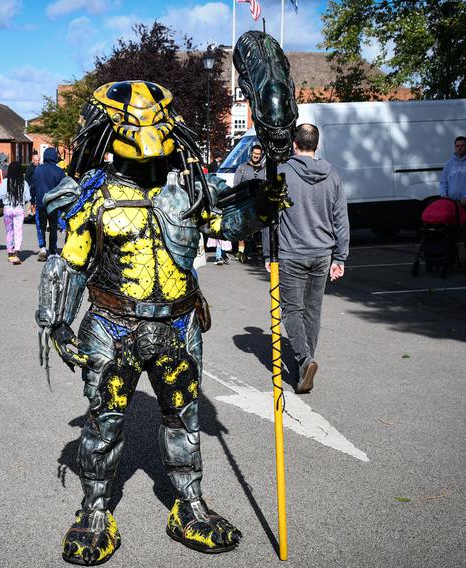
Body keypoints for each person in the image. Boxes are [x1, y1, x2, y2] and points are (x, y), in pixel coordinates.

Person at [36, 78, 291, 565]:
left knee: (184, 419)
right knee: (103, 424)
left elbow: (227, 224)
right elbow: (69, 260)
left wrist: (262, 202)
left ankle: (189, 505)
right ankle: (94, 510)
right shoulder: (94, 193)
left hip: (178, 327)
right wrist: (59, 323)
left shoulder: (189, 190)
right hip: (113, 327)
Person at [263, 123, 349, 395]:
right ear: (316, 145)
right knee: (312, 311)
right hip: (322, 253)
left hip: (291, 252)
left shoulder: (282, 173)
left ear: (294, 144)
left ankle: (304, 360)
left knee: (291, 311)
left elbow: (270, 216)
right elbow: (341, 218)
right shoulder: (332, 174)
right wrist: (341, 256)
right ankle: (305, 366)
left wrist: (268, 252)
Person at [439, 136, 466, 270]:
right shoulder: (449, 163)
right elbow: (443, 182)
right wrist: (443, 196)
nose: (460, 148)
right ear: (454, 147)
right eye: (457, 145)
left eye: (463, 145)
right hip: (452, 205)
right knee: (451, 235)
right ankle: (451, 260)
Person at [32, 147, 64, 260]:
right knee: (53, 226)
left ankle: (42, 247)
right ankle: (52, 249)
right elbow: (63, 188)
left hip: (41, 201)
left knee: (41, 226)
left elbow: (34, 185)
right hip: (54, 203)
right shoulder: (60, 171)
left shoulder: (38, 169)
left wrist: (32, 200)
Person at [0, 161, 31, 264]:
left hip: (7, 208)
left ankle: (10, 252)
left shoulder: (4, 182)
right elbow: (28, 197)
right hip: (19, 209)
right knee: (18, 231)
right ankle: (17, 251)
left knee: (9, 231)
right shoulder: (24, 183)